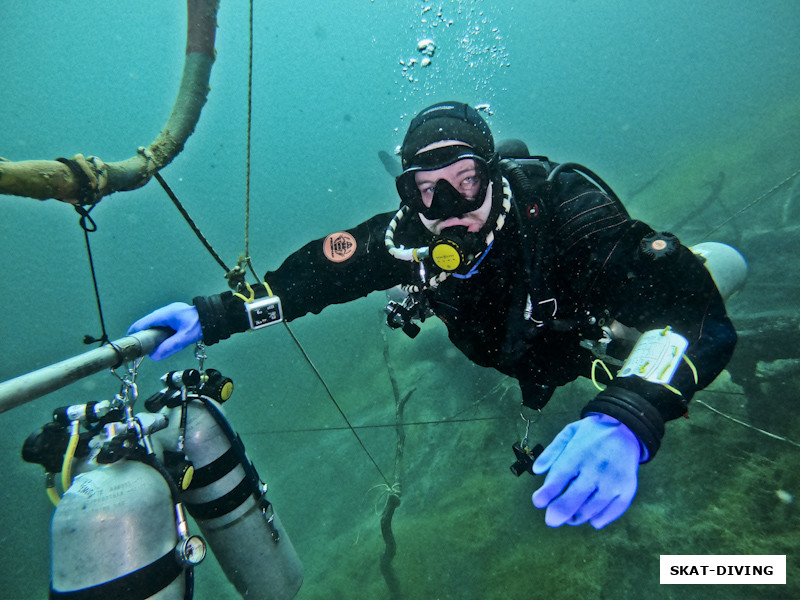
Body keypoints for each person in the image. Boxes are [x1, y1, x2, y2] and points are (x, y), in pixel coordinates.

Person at [129, 101, 737, 529]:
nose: (448, 208)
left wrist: (632, 414)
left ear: (493, 176)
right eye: (428, 189)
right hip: (508, 352)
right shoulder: (406, 239)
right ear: (410, 192)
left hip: (590, 340)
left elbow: (694, 316)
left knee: (697, 289)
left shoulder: (563, 212)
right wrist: (220, 314)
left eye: (465, 182)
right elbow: (315, 277)